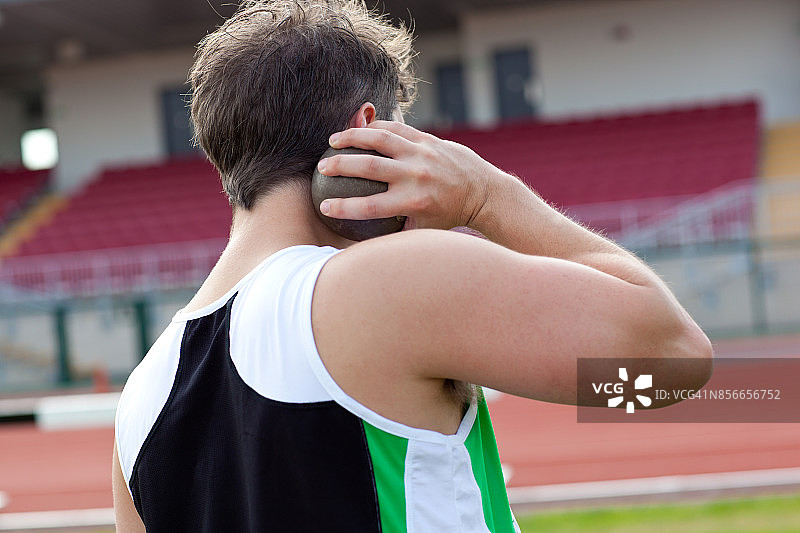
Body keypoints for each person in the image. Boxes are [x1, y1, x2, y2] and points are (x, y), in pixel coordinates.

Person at [112, 1, 713, 531]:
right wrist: (488, 196)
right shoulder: (387, 284)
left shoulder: (139, 402)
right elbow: (674, 362)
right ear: (367, 134)